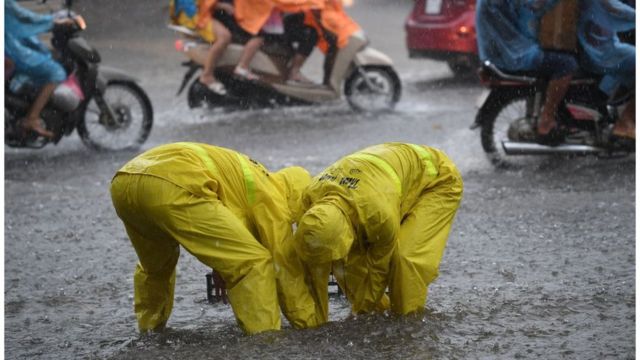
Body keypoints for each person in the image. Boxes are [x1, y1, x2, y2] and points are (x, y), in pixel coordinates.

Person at [110, 142, 323, 334]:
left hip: (124, 183)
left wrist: (222, 264)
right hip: (172, 185)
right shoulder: (273, 196)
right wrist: (310, 325)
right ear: (297, 197)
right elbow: (283, 266)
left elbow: (226, 227)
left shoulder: (253, 177)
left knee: (156, 268)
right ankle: (265, 342)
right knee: (253, 263)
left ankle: (149, 331)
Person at [293, 143, 463, 321]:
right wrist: (315, 321)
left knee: (405, 259)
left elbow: (377, 272)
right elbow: (312, 263)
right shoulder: (308, 200)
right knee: (349, 266)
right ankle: (379, 314)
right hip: (381, 176)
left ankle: (407, 325)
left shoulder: (379, 216)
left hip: (437, 180)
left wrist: (360, 316)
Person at [476, 0, 579, 144]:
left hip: (501, 51)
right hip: (513, 54)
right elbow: (533, 4)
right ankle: (547, 119)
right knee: (567, 64)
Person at [4, 0, 73, 139]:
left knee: (38, 51)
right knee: (55, 72)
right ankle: (32, 118)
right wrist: (53, 21)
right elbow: (24, 17)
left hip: (9, 43)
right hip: (8, 48)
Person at [577, 0, 636, 140]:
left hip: (589, 50)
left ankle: (606, 95)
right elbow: (620, 13)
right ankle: (625, 122)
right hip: (601, 54)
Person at [170, 0, 232, 95]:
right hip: (193, 14)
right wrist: (221, 5)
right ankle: (207, 74)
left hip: (201, 11)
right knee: (224, 37)